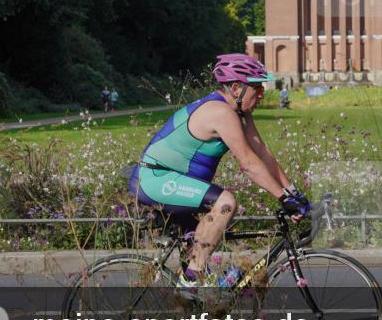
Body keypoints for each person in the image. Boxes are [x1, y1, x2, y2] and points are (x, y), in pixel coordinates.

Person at [128, 54, 310, 288]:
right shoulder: (220, 112)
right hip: (155, 179)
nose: (262, 94)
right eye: (257, 88)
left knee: (201, 260)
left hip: (170, 180)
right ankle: (192, 278)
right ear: (236, 88)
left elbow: (263, 155)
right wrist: (283, 199)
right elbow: (248, 164)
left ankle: (192, 304)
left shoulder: (239, 113)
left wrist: (293, 192)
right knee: (225, 203)